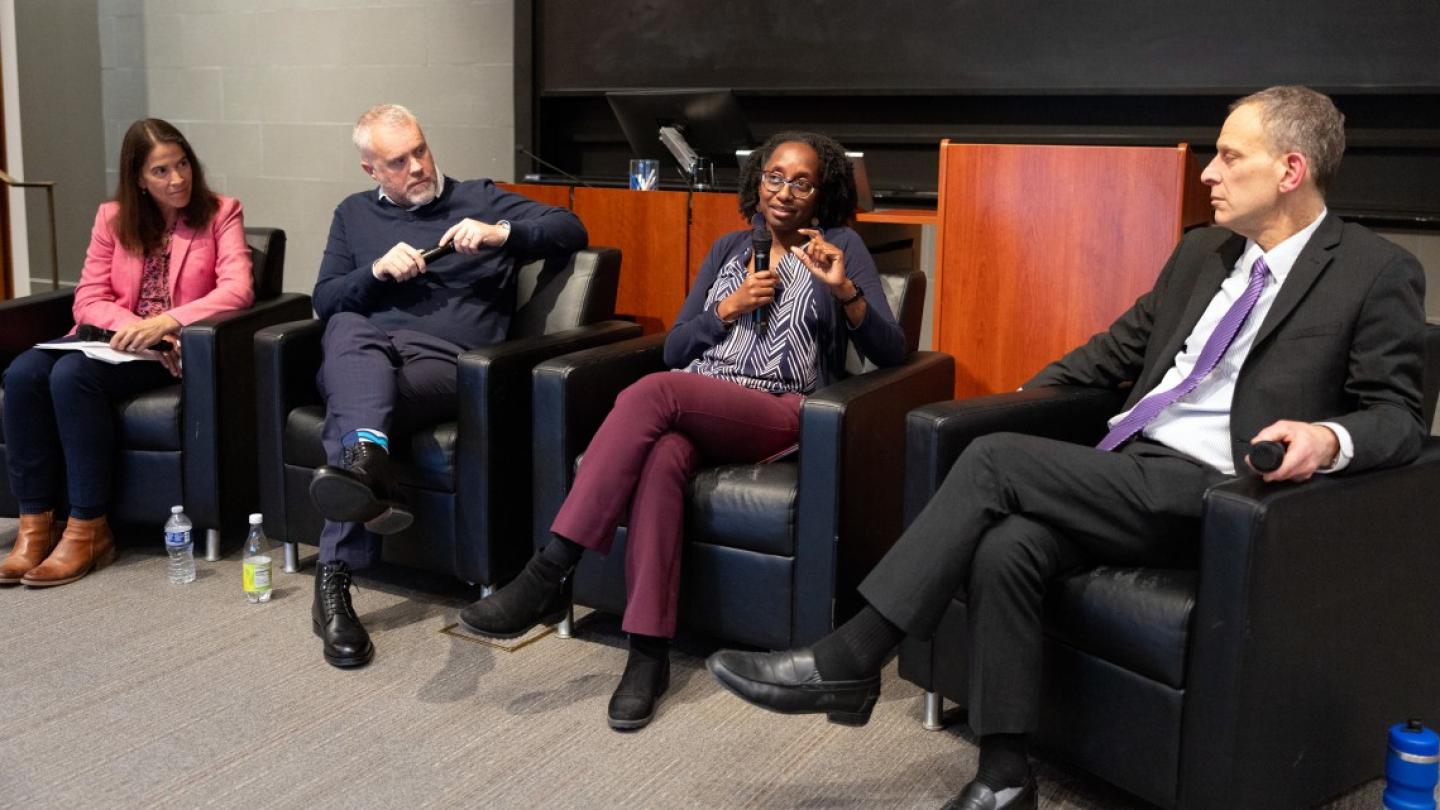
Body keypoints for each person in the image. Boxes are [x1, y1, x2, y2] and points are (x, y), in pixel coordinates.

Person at [707, 86, 1427, 810]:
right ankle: (1004, 777)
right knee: (1008, 544)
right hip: (1135, 468)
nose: (1209, 171)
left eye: (1229, 156)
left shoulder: (1372, 271)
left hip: (1225, 494)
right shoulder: (1204, 251)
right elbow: (1119, 347)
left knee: (993, 460)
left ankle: (854, 656)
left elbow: (1397, 414)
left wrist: (1325, 438)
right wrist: (1021, 399)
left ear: (1290, 171)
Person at [458, 131, 909, 730]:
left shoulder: (841, 247)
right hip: (699, 400)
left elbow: (892, 352)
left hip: (778, 409)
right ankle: (647, 654)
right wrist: (727, 310)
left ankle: (549, 569)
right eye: (775, 176)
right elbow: (675, 346)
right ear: (758, 182)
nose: (784, 191)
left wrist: (844, 291)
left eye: (802, 182)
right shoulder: (728, 248)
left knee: (655, 392)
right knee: (663, 456)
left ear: (821, 193)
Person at [306, 104, 587, 670]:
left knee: (354, 403)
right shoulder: (353, 215)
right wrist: (375, 273)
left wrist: (500, 233)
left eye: (420, 150)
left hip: (445, 364)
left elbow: (570, 229)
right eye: (398, 161)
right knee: (346, 327)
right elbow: (325, 299)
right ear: (371, 170)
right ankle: (369, 464)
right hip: (369, 355)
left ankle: (333, 573)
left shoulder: (479, 198)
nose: (417, 167)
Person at [0, 118, 254, 588]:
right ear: (138, 177)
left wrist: (168, 322)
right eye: (161, 171)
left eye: (182, 165)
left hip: (167, 351)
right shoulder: (112, 219)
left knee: (70, 377)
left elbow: (238, 290)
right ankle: (35, 524)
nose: (177, 179)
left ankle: (88, 527)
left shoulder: (221, 213)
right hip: (110, 340)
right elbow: (88, 298)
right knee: (22, 374)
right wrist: (131, 326)